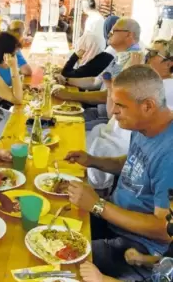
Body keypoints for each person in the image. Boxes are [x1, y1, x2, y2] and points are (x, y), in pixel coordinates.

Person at [65, 65, 173, 280]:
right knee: (51, 224)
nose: (113, 111)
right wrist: (94, 161)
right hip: (113, 219)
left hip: (140, 247)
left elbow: (165, 230)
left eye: (120, 105)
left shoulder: (170, 152)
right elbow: (135, 164)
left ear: (148, 106)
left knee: (58, 262)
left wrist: (97, 205)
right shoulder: (144, 127)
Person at [87, 41, 173, 195]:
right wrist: (90, 160)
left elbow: (160, 220)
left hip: (118, 211)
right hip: (114, 203)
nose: (146, 57)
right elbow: (128, 162)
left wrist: (97, 206)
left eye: (153, 53)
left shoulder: (162, 91)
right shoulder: (139, 128)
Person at [53, 18, 142, 130]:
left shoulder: (135, 59)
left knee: (67, 128)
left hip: (112, 122)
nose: (109, 34)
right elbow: (95, 81)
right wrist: (66, 80)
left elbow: (109, 95)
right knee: (58, 118)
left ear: (129, 35)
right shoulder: (121, 56)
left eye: (113, 31)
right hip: (99, 113)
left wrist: (69, 95)